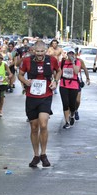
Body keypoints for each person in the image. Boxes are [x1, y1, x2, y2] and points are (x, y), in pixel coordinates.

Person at [18, 40, 60, 168]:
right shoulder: (26, 61)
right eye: (37, 51)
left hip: (46, 96)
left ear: (46, 50)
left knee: (43, 123)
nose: (40, 54)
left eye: (42, 51)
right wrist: (25, 81)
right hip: (31, 97)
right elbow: (20, 74)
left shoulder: (52, 60)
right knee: (34, 127)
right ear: (33, 50)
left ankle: (44, 154)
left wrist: (55, 82)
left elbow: (59, 71)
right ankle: (36, 155)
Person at [57, 50, 89, 129]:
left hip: (74, 85)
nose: (71, 55)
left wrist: (73, 62)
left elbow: (76, 71)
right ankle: (67, 122)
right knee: (65, 103)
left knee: (72, 104)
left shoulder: (78, 61)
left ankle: (72, 115)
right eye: (69, 53)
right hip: (63, 85)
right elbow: (58, 72)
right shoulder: (62, 62)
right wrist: (54, 80)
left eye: (72, 54)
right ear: (67, 54)